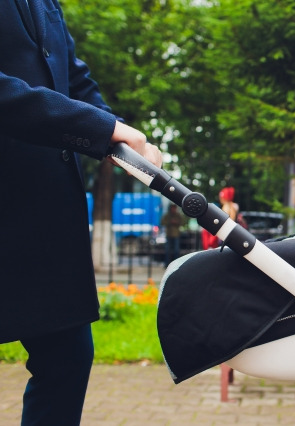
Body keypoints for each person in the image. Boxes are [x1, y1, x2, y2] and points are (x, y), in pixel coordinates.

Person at [0, 1, 163, 425]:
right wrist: (101, 130)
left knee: (67, 358)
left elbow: (71, 76)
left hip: (42, 213)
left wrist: (125, 141)